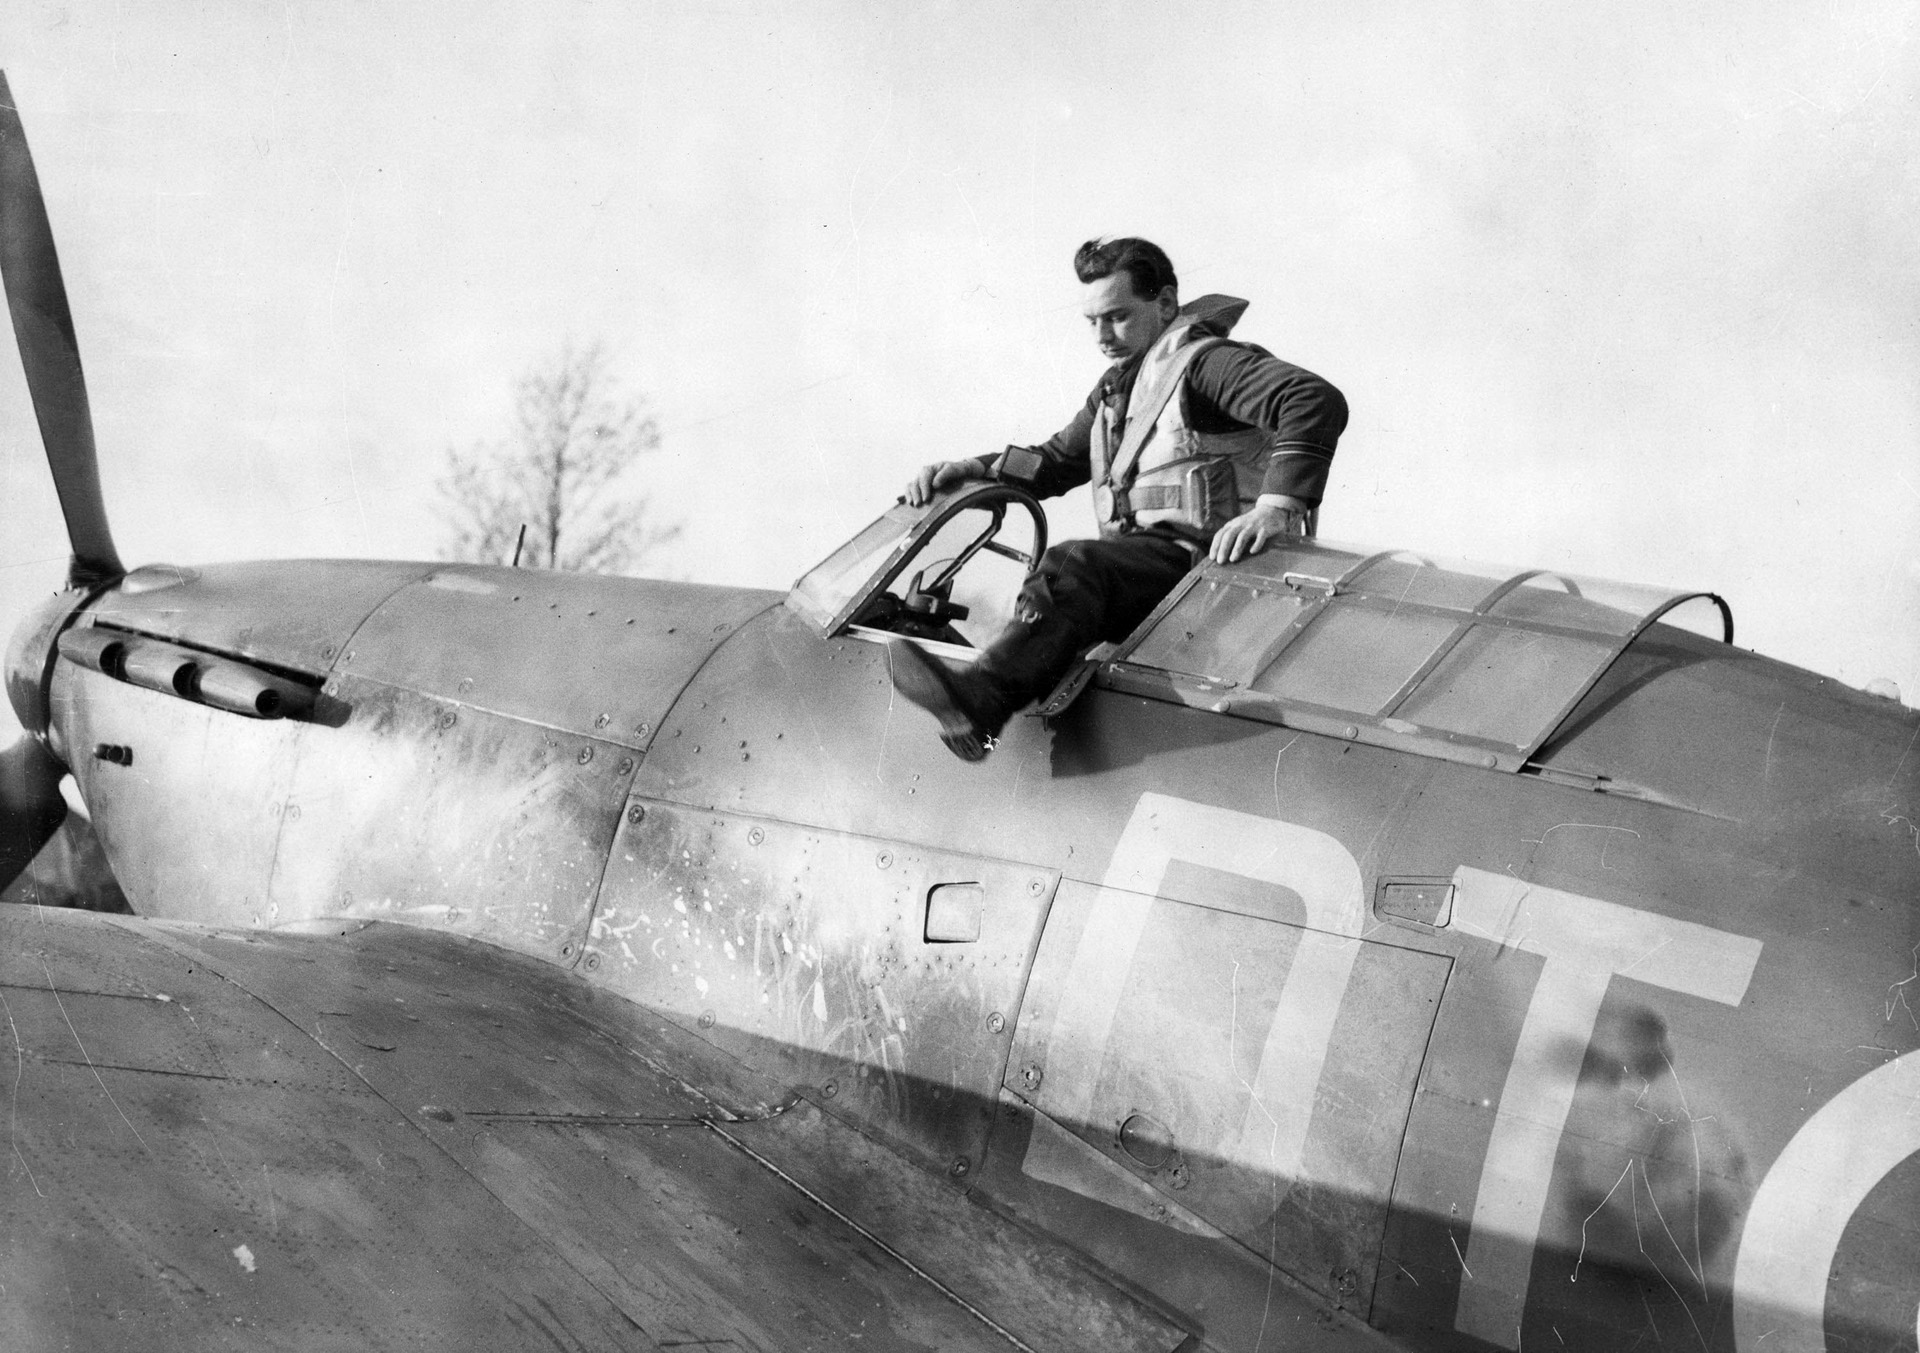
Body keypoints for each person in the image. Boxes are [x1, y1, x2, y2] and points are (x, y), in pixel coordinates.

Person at [889, 236, 1348, 761]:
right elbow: (1056, 460)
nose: (1103, 336)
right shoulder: (1120, 391)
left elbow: (1312, 398)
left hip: (1214, 573)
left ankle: (983, 698)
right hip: (1157, 573)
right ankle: (986, 715)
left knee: (1072, 566)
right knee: (1064, 598)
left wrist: (1277, 505)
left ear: (1167, 305)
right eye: (1092, 322)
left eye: (1118, 317)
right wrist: (974, 468)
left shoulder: (1207, 366)